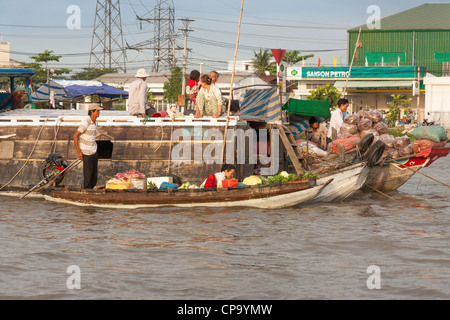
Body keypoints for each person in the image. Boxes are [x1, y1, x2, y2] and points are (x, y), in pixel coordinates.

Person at [73, 104, 103, 189]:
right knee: (88, 177)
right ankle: (86, 192)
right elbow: (75, 136)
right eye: (97, 111)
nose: (99, 112)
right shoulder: (86, 122)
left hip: (94, 151)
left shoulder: (95, 123)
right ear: (92, 111)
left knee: (94, 176)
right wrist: (79, 152)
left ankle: (91, 192)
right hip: (86, 152)